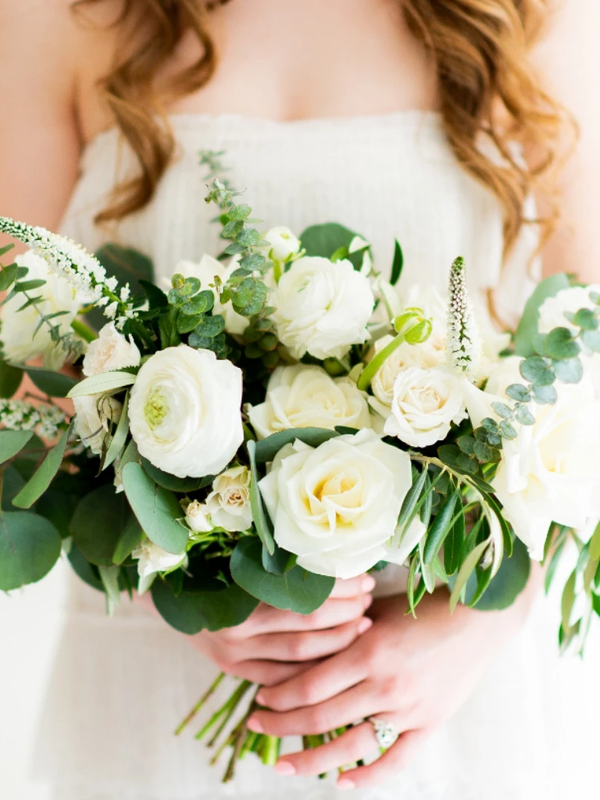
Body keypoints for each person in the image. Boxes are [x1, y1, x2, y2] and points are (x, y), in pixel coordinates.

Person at [1, 1, 599, 798]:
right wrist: (169, 577)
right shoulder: (59, 17)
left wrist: (485, 616)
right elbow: (20, 360)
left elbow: (583, 352)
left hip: (441, 694)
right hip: (157, 682)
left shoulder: (535, 17)